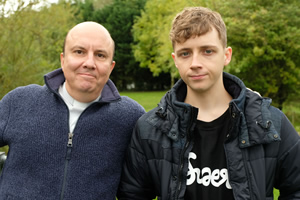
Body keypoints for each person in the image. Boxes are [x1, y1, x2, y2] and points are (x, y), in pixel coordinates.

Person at [117, 7, 300, 200]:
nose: (195, 62)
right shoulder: (149, 129)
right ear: (175, 60)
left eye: (207, 51)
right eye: (185, 53)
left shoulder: (268, 123)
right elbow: (132, 195)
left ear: (226, 55)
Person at [0, 22, 145, 199]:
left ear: (111, 66)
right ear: (63, 59)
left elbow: (142, 185)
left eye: (100, 55)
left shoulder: (131, 117)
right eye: (79, 52)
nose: (89, 63)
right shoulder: (19, 101)